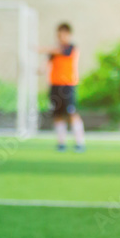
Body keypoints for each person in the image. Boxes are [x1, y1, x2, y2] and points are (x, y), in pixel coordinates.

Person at [42, 23, 85, 152]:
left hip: (68, 86)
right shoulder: (53, 52)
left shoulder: (71, 48)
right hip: (55, 85)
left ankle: (79, 142)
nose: (61, 37)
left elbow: (59, 51)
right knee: (57, 114)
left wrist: (40, 48)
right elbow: (47, 63)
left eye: (64, 34)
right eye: (59, 34)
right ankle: (61, 143)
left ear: (69, 35)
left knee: (72, 113)